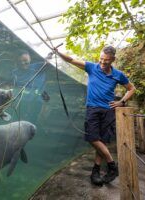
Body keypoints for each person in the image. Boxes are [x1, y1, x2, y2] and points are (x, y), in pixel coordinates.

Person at [54, 46, 136, 186]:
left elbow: (132, 88)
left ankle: (95, 172)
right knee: (92, 138)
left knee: (102, 141)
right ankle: (112, 166)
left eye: (106, 61)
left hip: (108, 110)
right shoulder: (92, 67)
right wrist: (57, 52)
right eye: (101, 59)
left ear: (113, 60)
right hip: (93, 109)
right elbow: (71, 59)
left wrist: (122, 102)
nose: (103, 63)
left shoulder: (118, 74)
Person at [10, 50, 48, 124]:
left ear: (30, 59)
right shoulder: (15, 72)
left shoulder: (38, 66)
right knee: (18, 122)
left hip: (37, 102)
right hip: (21, 102)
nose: (22, 63)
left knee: (33, 122)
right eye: (20, 61)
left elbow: (49, 63)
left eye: (25, 60)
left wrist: (50, 56)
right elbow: (13, 87)